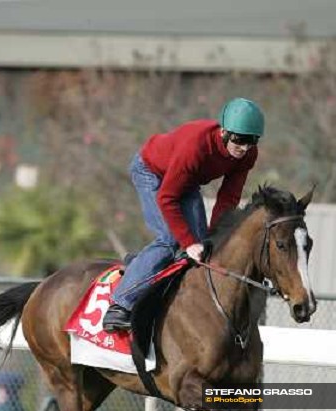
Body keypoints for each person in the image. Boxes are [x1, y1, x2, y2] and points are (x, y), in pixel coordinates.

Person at [102, 97, 264, 332]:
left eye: (252, 141)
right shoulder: (195, 146)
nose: (244, 148)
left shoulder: (247, 155)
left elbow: (228, 198)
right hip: (151, 172)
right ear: (224, 132)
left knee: (202, 250)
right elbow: (166, 198)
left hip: (186, 182)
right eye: (239, 140)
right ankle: (120, 305)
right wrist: (188, 243)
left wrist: (212, 236)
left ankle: (145, 266)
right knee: (171, 240)